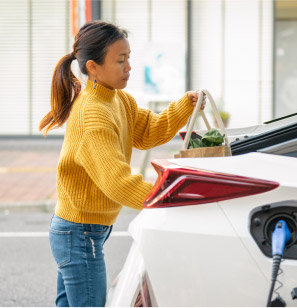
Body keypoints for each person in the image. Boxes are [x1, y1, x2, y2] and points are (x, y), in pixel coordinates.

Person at [40, 20, 202, 307]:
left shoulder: (117, 99)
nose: (129, 68)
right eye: (120, 60)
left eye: (129, 59)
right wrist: (167, 198)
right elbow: (117, 182)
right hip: (79, 232)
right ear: (93, 67)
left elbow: (149, 130)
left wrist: (185, 106)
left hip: (81, 229)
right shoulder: (93, 114)